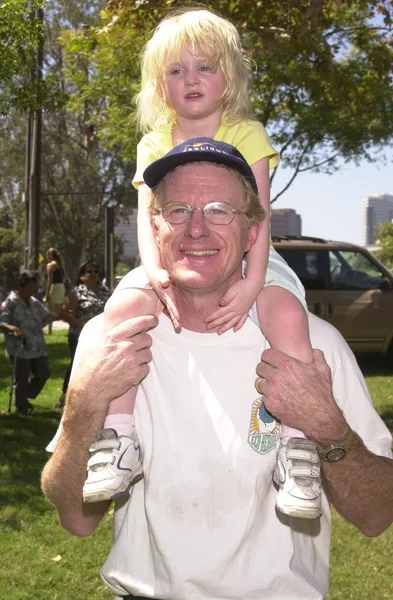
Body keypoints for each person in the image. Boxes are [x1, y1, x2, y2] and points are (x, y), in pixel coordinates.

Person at [41, 145, 393, 599]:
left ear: (253, 231)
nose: (197, 228)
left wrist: (328, 429)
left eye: (219, 210)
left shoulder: (311, 344)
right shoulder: (112, 339)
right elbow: (77, 518)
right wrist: (82, 406)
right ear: (154, 227)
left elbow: (375, 515)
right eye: (178, 210)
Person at [83, 7, 320, 520]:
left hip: (251, 250)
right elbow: (147, 218)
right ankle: (118, 437)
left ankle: (299, 448)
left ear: (228, 76)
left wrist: (254, 280)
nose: (190, 79)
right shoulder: (152, 143)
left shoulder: (248, 133)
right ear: (158, 85)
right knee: (121, 310)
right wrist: (154, 274)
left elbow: (259, 215)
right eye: (175, 70)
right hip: (169, 254)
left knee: (287, 315)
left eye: (204, 67)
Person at [0, 271, 67, 414]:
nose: (35, 289)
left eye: (36, 286)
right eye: (32, 286)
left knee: (44, 373)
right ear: (21, 287)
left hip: (37, 347)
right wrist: (12, 328)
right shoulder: (10, 303)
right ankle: (21, 407)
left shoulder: (34, 302)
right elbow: (2, 322)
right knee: (22, 378)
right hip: (19, 347)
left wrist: (61, 314)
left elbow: (46, 317)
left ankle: (24, 394)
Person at [57, 260, 110, 408]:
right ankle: (65, 396)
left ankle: (92, 395)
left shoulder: (105, 291)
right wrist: (81, 324)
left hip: (101, 335)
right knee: (77, 363)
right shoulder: (76, 292)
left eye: (96, 271)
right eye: (89, 272)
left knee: (98, 364)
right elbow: (65, 314)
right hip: (79, 334)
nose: (93, 274)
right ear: (82, 276)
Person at [43, 247, 66, 335]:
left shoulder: (50, 265)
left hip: (54, 287)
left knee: (50, 309)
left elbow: (50, 280)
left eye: (47, 255)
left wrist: (47, 293)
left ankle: (49, 330)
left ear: (51, 255)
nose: (46, 257)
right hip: (61, 287)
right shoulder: (60, 264)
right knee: (58, 310)